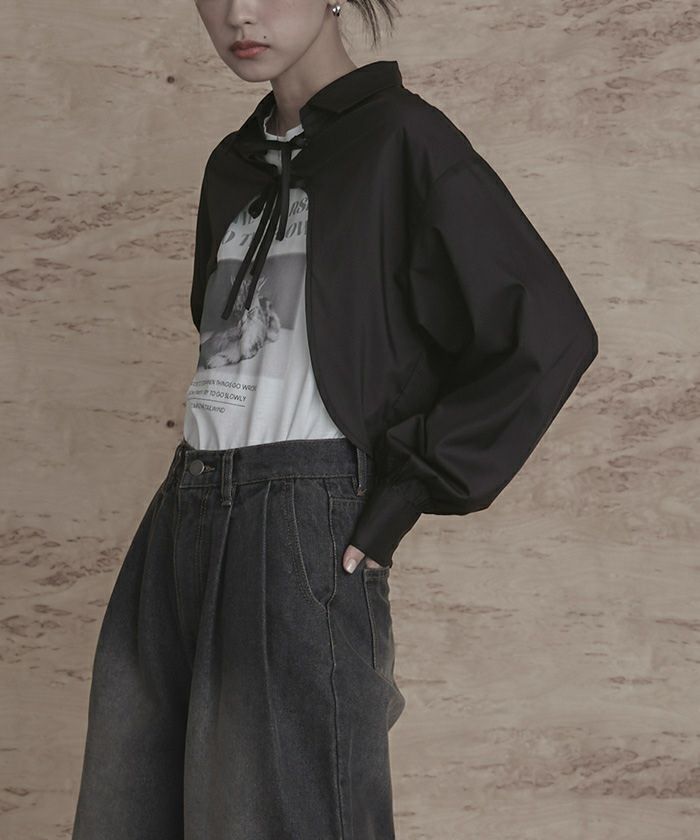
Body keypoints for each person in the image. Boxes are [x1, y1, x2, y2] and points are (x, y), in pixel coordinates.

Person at [71, 1, 599, 838]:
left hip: (301, 521)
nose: (239, 13)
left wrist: (401, 496)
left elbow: (548, 332)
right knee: (131, 809)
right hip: (183, 511)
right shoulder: (232, 164)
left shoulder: (403, 140)